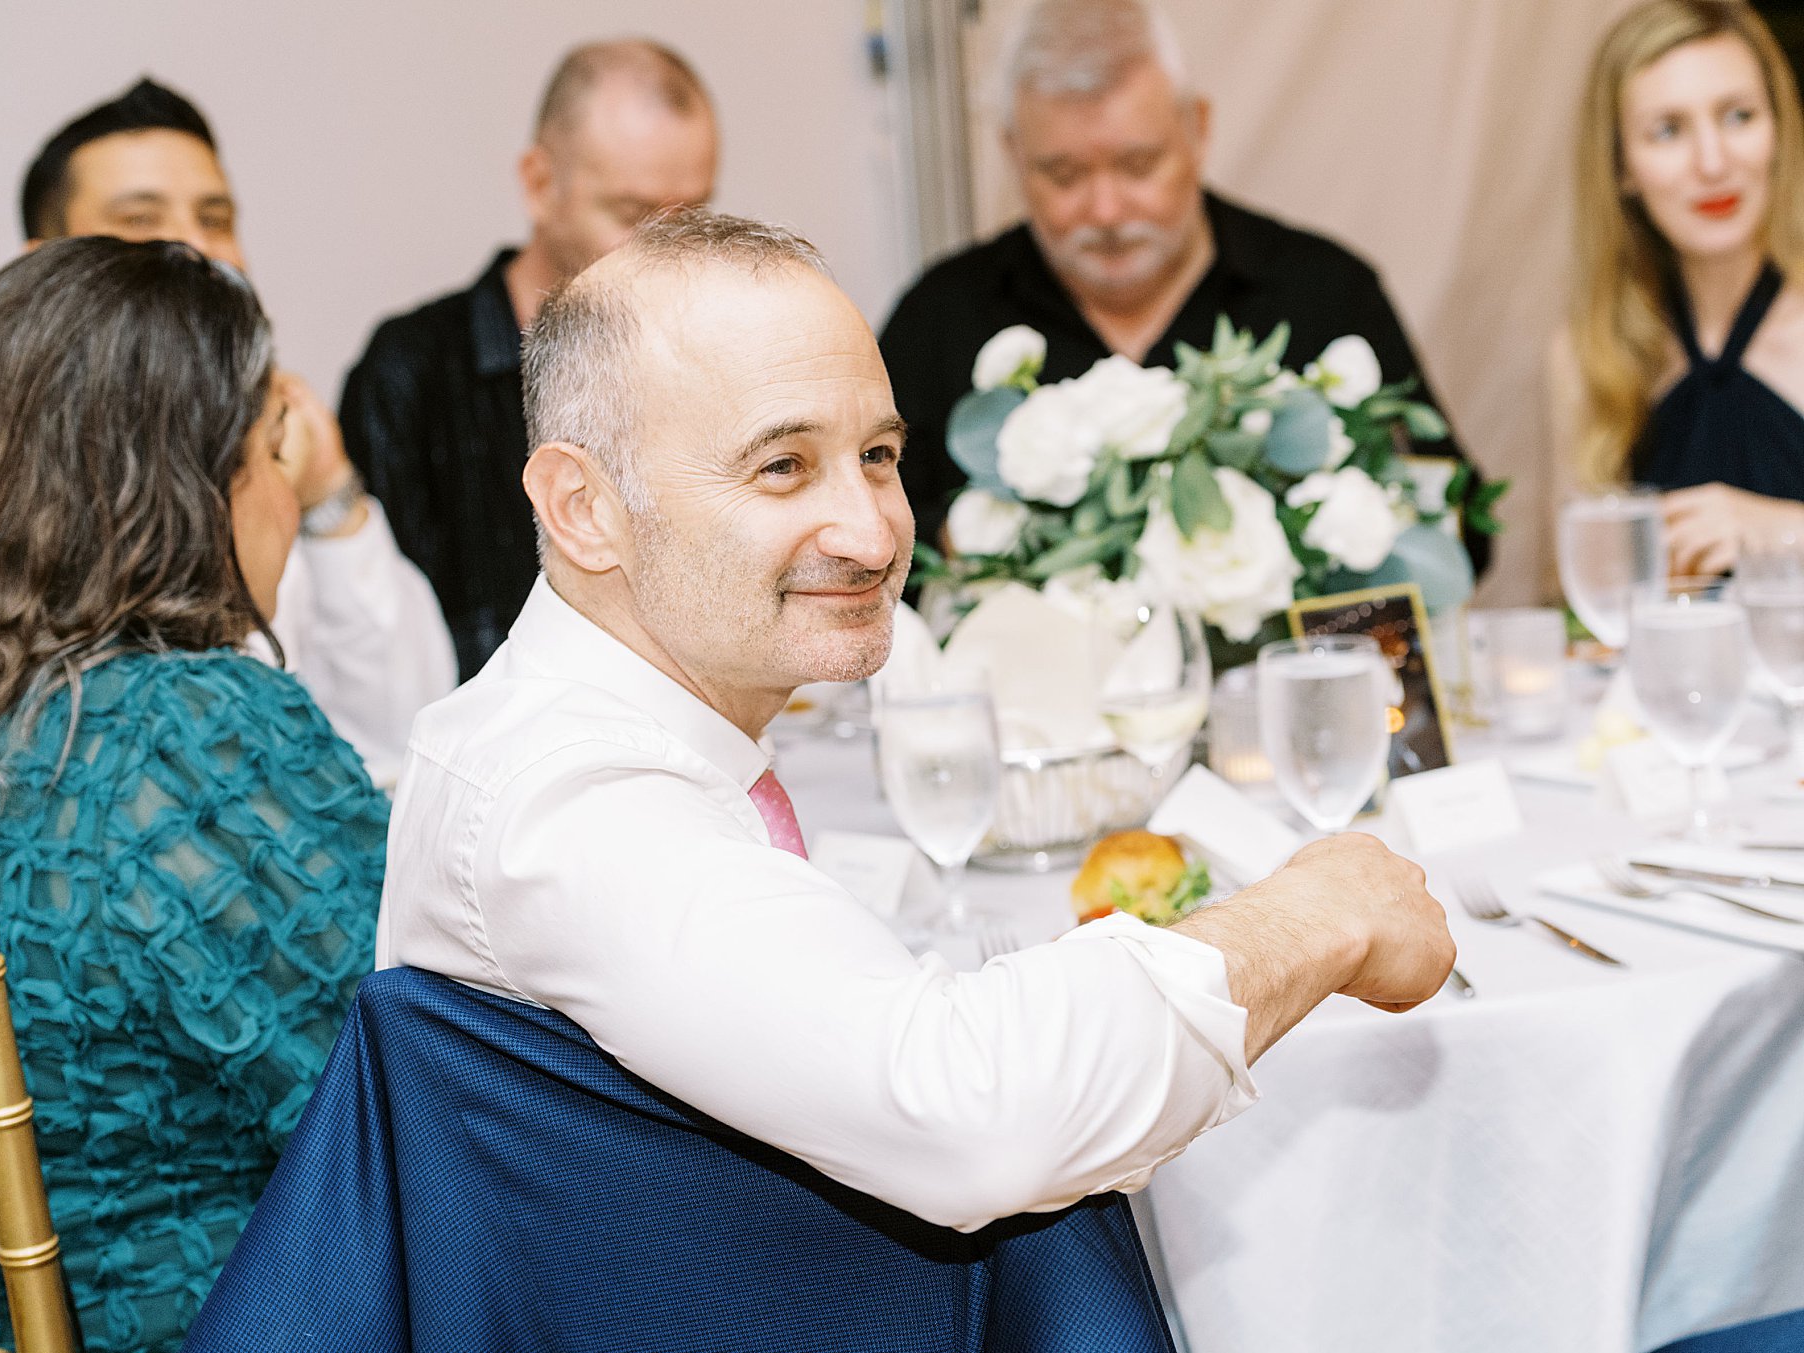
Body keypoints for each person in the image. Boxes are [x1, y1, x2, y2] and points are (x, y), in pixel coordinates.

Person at [379, 208, 1452, 1249]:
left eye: (879, 457)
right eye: (782, 467)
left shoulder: (629, 725)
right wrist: (1315, 915)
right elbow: (973, 1116)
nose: (869, 531)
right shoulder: (569, 803)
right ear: (581, 508)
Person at [0, 238, 389, 1353]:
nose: (285, 491)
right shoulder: (183, 738)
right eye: (268, 448)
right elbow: (403, 1096)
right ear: (192, 488)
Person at [881, 0, 1487, 568]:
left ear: (1197, 130)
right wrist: (973, 541)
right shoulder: (941, 316)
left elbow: (1461, 525)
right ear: (1014, 154)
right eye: (1063, 175)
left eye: (1139, 165)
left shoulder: (1322, 291)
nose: (1107, 210)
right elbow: (870, 547)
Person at [21, 77, 455, 784]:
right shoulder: (2, 484)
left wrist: (328, 499)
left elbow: (413, 731)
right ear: (43, 264)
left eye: (217, 218)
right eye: (142, 220)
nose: (198, 249)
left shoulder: (273, 450)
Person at [339, 40, 719, 678]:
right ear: (541, 185)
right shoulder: (412, 372)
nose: (669, 250)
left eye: (695, 216)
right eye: (633, 213)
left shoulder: (710, 357)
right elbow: (377, 648)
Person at [1555, 0, 1804, 575]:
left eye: (1738, 116)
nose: (1713, 163)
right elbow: (1580, 599)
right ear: (1621, 167)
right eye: (1668, 131)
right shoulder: (1589, 356)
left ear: (1780, 130)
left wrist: (1782, 530)